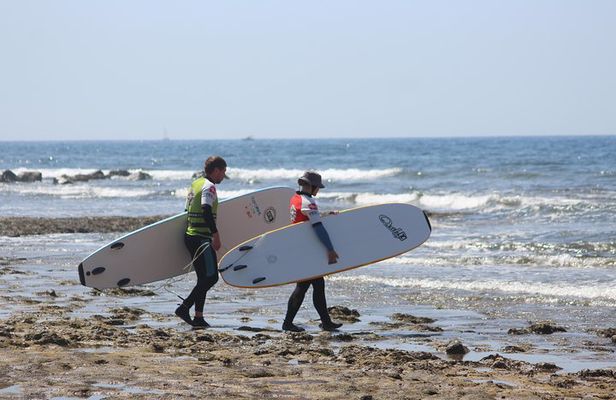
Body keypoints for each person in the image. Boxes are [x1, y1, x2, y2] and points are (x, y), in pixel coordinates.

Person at [282, 171, 343, 332]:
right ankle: (288, 323)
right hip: (306, 252)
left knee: (318, 284)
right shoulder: (308, 202)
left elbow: (307, 220)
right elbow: (317, 227)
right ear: (312, 186)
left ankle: (326, 322)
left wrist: (325, 214)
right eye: (318, 188)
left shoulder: (296, 198)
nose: (318, 191)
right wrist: (330, 249)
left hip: (300, 249)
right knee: (302, 287)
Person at [175, 155, 228, 328]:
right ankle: (184, 308)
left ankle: (198, 316)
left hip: (191, 236)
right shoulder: (209, 187)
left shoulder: (196, 184)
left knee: (202, 279)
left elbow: (186, 209)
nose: (223, 176)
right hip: (201, 239)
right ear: (216, 170)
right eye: (223, 172)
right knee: (211, 278)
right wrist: (216, 234)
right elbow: (205, 209)